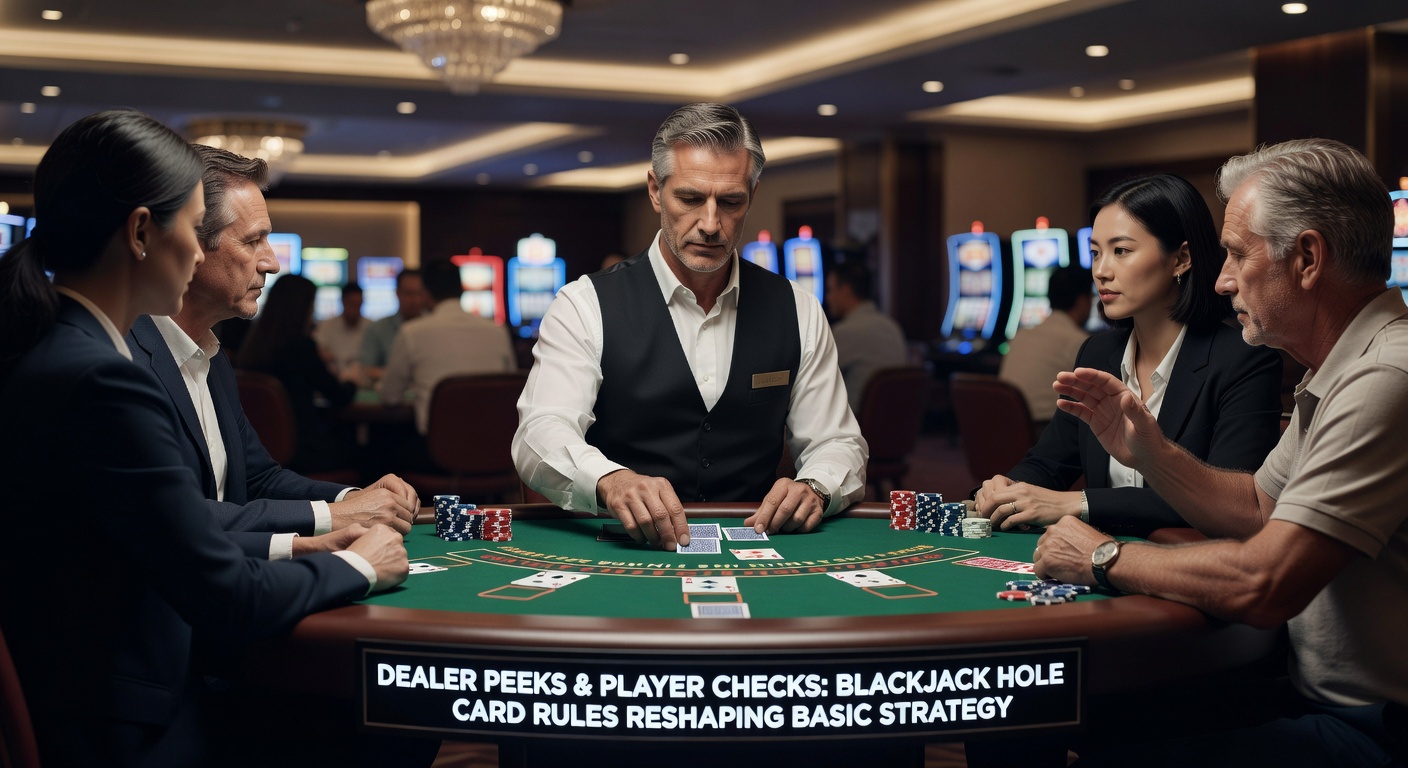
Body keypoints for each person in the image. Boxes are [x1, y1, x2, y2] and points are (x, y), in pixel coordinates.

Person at [0, 109, 407, 766]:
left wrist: (304, 537)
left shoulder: (63, 350)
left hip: (111, 683)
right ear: (140, 233)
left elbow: (165, 531)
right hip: (127, 719)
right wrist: (362, 563)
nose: (194, 253)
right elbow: (227, 597)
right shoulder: (104, 380)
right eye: (193, 229)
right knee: (386, 727)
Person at [1038, 139, 1408, 766]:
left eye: (1237, 253)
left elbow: (1263, 581)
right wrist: (1152, 452)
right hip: (1304, 689)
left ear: (1308, 258)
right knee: (1100, 724)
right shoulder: (1341, 367)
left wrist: (1102, 556)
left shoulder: (1386, 376)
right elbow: (1261, 506)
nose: (1221, 278)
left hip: (1376, 727)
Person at [513, 102, 868, 550]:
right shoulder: (584, 305)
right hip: (623, 548)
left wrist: (816, 485)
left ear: (752, 196)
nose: (711, 224)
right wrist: (611, 479)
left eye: (731, 201)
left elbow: (839, 441)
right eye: (691, 198)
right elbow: (540, 431)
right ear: (655, 191)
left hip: (754, 545)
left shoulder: (797, 308)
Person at [126, 144, 418, 561]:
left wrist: (355, 496)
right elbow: (172, 517)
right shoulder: (123, 361)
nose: (273, 262)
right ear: (187, 245)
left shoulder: (212, 355)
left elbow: (258, 479)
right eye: (253, 241)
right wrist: (330, 518)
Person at [975, 174, 1283, 537]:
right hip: (1091, 562)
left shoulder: (1245, 360)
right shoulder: (1097, 352)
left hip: (1187, 569)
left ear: (1181, 259)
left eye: (1121, 251)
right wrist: (1005, 487)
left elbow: (1230, 504)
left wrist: (1077, 503)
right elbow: (1048, 463)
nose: (1101, 271)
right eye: (1095, 253)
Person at [379, 259, 516, 465]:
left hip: (436, 457)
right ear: (461, 290)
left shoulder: (412, 332)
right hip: (495, 454)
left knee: (376, 454)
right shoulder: (498, 331)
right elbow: (510, 394)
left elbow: (390, 397)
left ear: (425, 294)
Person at [239, 273, 359, 474]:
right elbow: (340, 397)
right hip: (302, 453)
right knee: (371, 452)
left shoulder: (252, 347)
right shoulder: (301, 348)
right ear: (303, 307)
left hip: (257, 453)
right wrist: (352, 381)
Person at [999, 264, 1093, 423]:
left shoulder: (1020, 335)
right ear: (1083, 300)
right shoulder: (1078, 341)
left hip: (1004, 428)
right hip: (1043, 431)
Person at [825, 258, 908, 413]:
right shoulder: (893, 327)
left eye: (830, 290)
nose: (828, 297)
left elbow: (811, 379)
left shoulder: (846, 331)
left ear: (846, 291)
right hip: (894, 427)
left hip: (852, 428)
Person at [360, 266, 428, 380]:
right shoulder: (377, 329)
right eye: (409, 293)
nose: (415, 300)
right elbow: (366, 368)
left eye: (419, 293)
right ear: (397, 293)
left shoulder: (433, 327)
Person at [315, 282, 369, 380]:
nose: (355, 309)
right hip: (333, 379)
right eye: (352, 304)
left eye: (358, 304)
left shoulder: (370, 327)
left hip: (363, 381)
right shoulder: (327, 326)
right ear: (343, 301)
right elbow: (319, 349)